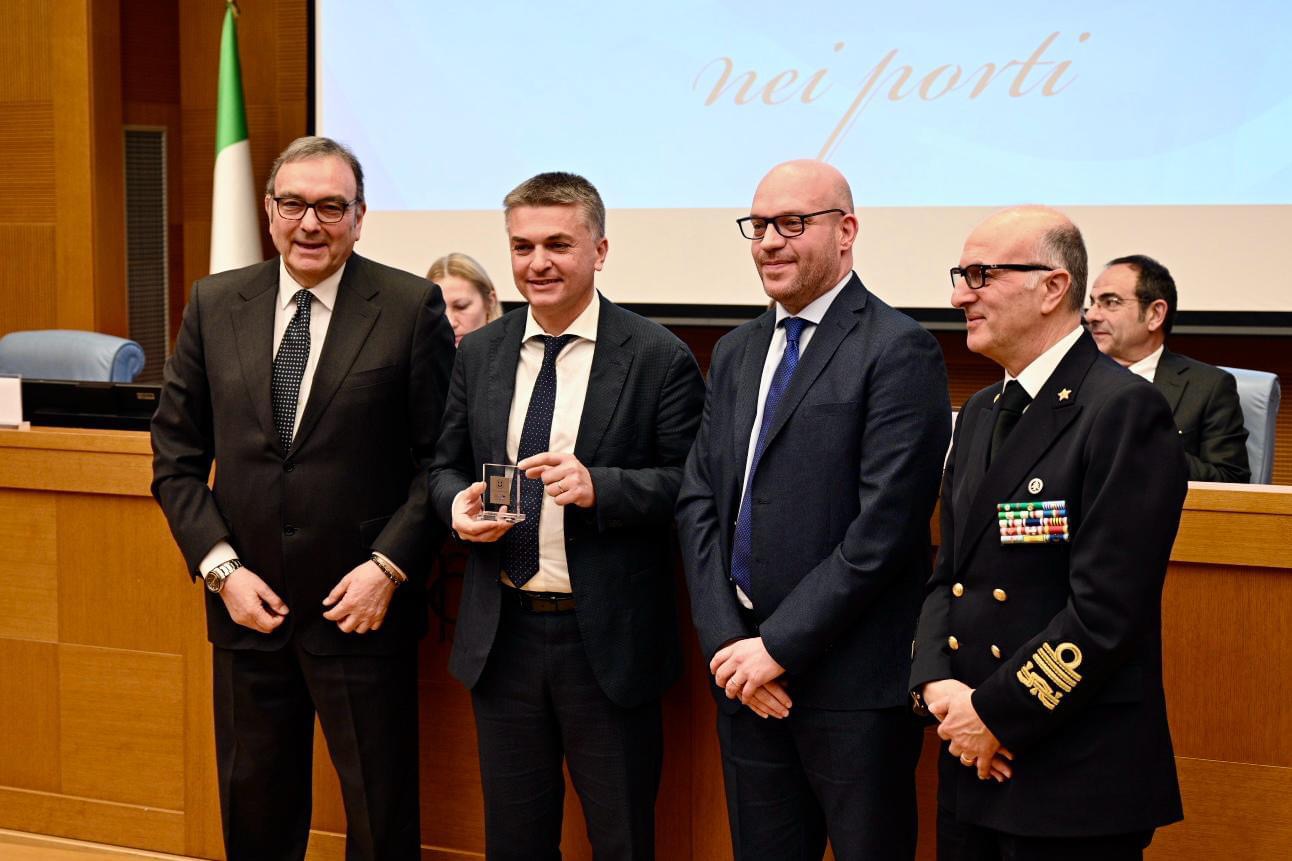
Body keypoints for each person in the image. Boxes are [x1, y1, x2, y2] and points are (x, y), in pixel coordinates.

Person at [150, 136, 455, 860]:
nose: (310, 223)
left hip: (361, 610)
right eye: (293, 204)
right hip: (247, 609)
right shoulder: (215, 303)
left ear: (359, 216)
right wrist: (222, 571)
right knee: (255, 815)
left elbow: (441, 460)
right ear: (268, 211)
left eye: (330, 207)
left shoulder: (409, 307)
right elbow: (176, 458)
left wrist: (388, 567)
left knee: (380, 820)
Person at [675, 159, 951, 860]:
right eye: (760, 225)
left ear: (846, 231)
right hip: (746, 684)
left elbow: (884, 530)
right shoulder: (735, 351)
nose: (770, 240)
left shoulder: (899, 348)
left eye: (793, 223)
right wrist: (730, 645)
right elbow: (699, 501)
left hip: (852, 690)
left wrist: (777, 647)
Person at [429, 171, 705, 860]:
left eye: (558, 244)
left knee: (621, 841)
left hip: (605, 642)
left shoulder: (657, 355)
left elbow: (691, 488)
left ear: (600, 250)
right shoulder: (481, 352)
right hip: (503, 636)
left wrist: (600, 487)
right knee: (514, 842)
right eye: (522, 246)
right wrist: (456, 506)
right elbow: (443, 466)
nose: (538, 262)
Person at [912, 207, 1187, 860]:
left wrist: (995, 714)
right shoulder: (981, 411)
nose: (959, 296)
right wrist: (933, 685)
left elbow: (1105, 612)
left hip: (1069, 779)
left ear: (1053, 287)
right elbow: (948, 573)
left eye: (981, 275)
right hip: (971, 760)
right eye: (960, 275)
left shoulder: (1123, 409)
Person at [1086, 254, 1250, 482]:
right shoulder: (1072, 377)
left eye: (1111, 302)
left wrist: (1146, 446)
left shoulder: (1208, 387)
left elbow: (1230, 481)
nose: (1091, 315)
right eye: (1092, 303)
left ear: (1155, 314)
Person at [427, 251, 502, 346]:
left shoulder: (516, 351)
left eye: (461, 306)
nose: (450, 322)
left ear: (490, 302)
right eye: (439, 310)